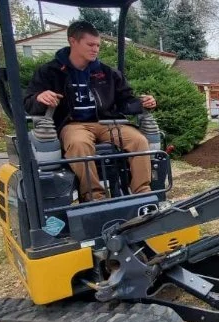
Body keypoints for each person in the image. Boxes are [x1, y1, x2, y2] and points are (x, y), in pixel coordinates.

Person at [24, 21, 157, 202]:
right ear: (73, 41)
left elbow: (125, 100)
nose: (95, 49)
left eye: (98, 45)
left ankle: (143, 195)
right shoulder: (50, 72)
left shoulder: (108, 73)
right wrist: (39, 97)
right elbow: (28, 103)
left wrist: (143, 103)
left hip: (107, 123)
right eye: (90, 45)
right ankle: (95, 198)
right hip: (72, 124)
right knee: (79, 144)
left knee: (139, 140)